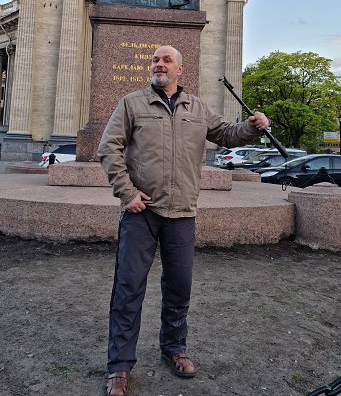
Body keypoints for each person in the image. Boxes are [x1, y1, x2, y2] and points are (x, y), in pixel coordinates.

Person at [98, 45, 270, 395]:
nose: (159, 65)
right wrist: (127, 193)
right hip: (141, 213)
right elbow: (108, 148)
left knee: (179, 288)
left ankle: (174, 349)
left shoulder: (198, 108)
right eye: (155, 60)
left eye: (166, 61)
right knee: (128, 289)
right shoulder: (132, 103)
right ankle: (119, 366)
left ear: (180, 69)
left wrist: (252, 127)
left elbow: (227, 134)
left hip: (182, 214)